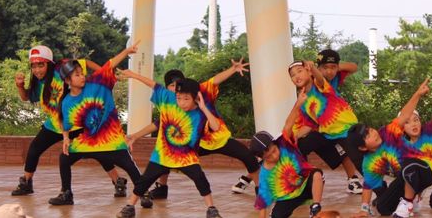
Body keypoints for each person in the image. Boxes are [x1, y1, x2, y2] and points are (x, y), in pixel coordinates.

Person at [133, 60, 260, 200]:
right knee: (165, 156)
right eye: (171, 85)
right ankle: (162, 188)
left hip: (218, 138)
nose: (175, 88)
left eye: (178, 84)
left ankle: (260, 189)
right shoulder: (170, 102)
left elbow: (214, 81)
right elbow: (158, 124)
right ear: (167, 87)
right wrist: (135, 136)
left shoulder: (198, 91)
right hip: (194, 143)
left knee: (248, 156)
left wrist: (232, 69)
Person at [11, 45, 125, 197]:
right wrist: (19, 85)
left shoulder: (62, 69)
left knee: (98, 153)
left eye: (41, 65)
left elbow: (85, 62)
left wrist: (103, 76)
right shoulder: (38, 82)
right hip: (55, 124)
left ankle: (118, 181)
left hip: (76, 122)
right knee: (34, 150)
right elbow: (26, 97)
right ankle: (26, 183)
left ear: (49, 64)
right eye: (34, 66)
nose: (37, 70)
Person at [116, 71, 224, 218]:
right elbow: (153, 84)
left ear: (196, 98)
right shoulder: (168, 98)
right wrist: (133, 75)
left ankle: (211, 208)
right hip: (162, 155)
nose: (182, 102)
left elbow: (216, 127)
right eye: (179, 98)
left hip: (186, 157)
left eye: (186, 99)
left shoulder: (200, 113)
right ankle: (130, 206)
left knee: (200, 179)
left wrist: (204, 107)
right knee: (144, 181)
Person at [48, 42, 142, 206]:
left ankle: (144, 192)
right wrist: (65, 138)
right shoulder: (67, 101)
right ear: (68, 80)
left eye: (82, 73)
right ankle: (66, 194)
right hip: (89, 141)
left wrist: (126, 51)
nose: (82, 76)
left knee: (130, 166)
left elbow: (110, 64)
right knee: (64, 157)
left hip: (111, 139)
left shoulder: (98, 82)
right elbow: (66, 124)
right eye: (77, 75)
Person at [349, 79, 432, 218]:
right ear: (363, 148)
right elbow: (368, 186)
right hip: (404, 178)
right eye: (367, 136)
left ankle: (412, 198)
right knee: (383, 207)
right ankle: (410, 199)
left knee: (408, 166)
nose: (373, 133)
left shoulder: (388, 132)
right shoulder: (369, 163)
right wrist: (364, 209)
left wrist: (418, 94)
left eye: (370, 130)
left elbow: (405, 114)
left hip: (422, 167)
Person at [289, 60, 365, 194]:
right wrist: (293, 137)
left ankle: (359, 180)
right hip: (326, 132)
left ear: (308, 71)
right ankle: (304, 182)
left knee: (356, 159)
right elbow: (309, 124)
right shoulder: (303, 99)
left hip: (344, 129)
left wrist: (320, 68)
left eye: (300, 71)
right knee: (300, 145)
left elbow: (320, 78)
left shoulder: (319, 83)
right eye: (293, 75)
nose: (296, 76)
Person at [250, 87, 324, 218]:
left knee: (317, 174)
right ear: (262, 158)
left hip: (305, 183)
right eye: (269, 156)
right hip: (287, 197)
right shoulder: (265, 175)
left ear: (275, 143)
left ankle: (315, 208)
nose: (275, 155)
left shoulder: (284, 143)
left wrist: (298, 104)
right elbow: (262, 201)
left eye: (274, 150)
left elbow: (288, 124)